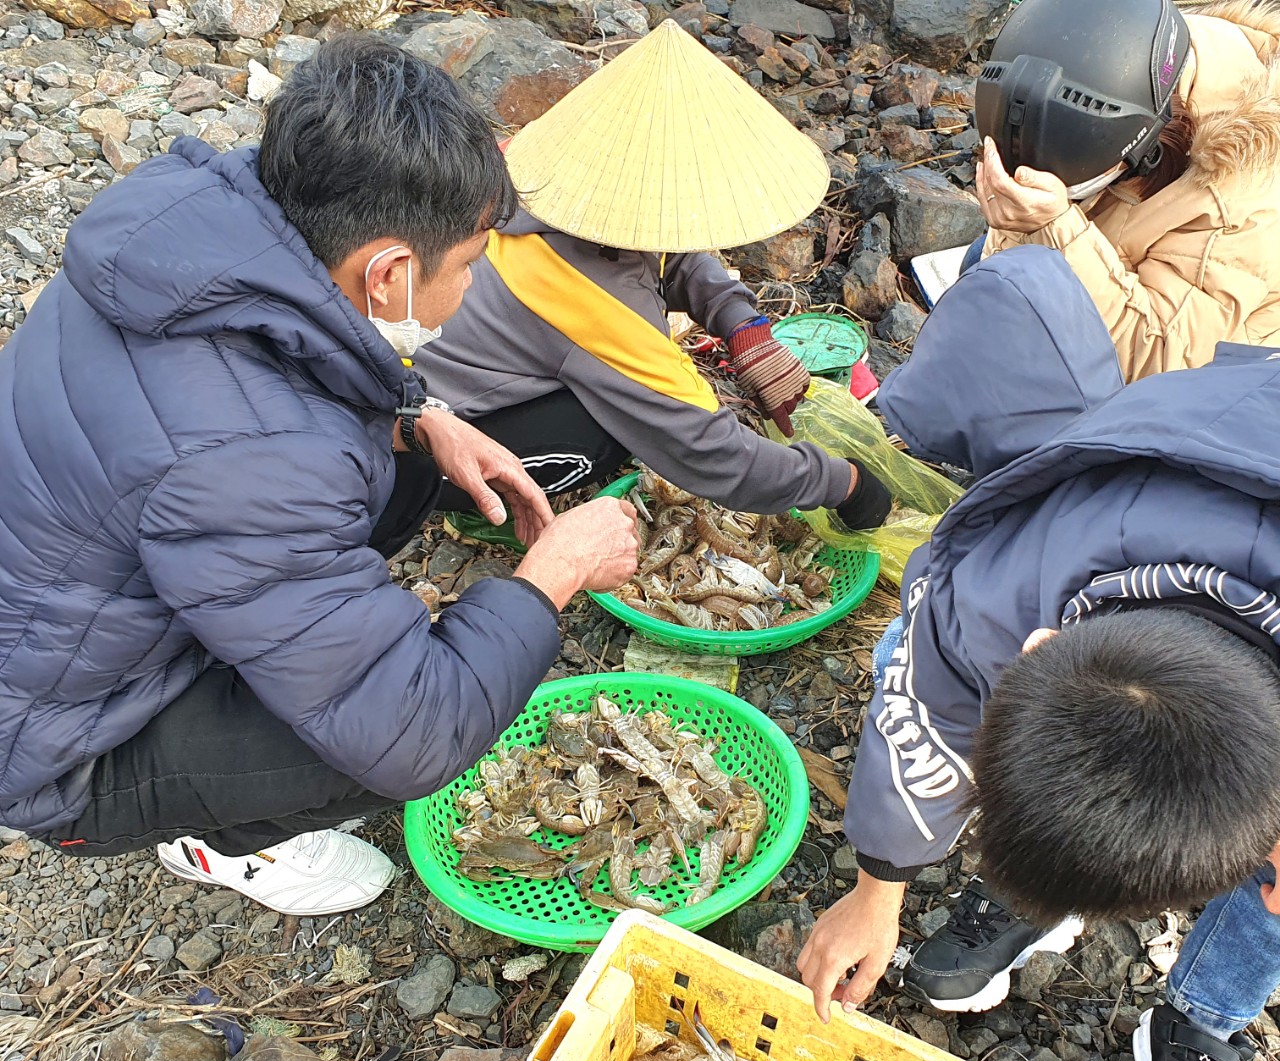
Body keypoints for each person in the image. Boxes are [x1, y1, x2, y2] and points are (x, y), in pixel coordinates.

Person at [0, 36, 643, 916]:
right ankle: (216, 844)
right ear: (387, 274)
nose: (475, 283)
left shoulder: (193, 225)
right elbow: (418, 733)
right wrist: (554, 575)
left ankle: (293, 637)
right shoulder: (245, 461)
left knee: (410, 471)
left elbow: (278, 383)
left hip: (81, 595)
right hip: (57, 747)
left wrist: (422, 419)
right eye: (467, 264)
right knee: (383, 744)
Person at [796, 243, 1279, 1061]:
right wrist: (878, 888)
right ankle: (1037, 890)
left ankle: (1202, 1017)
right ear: (1031, 653)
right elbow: (917, 714)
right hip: (1199, 441)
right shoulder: (992, 591)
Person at [415, 20, 890, 532]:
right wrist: (844, 484)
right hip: (418, 440)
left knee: (618, 401)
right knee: (607, 433)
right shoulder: (588, 300)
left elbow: (664, 250)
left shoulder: (533, 170)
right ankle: (487, 513)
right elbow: (711, 453)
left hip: (436, 373)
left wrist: (742, 327)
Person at [971, 0, 1280, 381]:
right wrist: (1018, 218)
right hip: (1123, 263)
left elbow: (1159, 365)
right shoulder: (1133, 48)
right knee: (983, 271)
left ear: (1145, 146)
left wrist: (1050, 228)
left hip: (1203, 370)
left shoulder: (1238, 203)